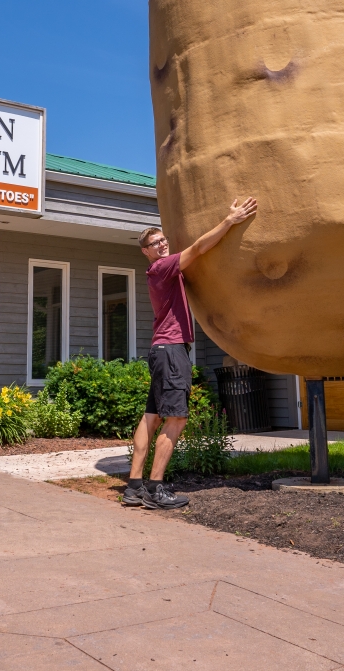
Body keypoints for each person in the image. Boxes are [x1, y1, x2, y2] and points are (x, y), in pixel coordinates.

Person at [124, 196, 258, 510]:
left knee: (151, 419)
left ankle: (133, 487)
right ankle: (155, 489)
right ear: (146, 252)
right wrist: (231, 221)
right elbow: (197, 248)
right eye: (154, 243)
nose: (161, 245)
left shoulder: (165, 271)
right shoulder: (161, 267)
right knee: (177, 420)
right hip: (171, 352)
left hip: (162, 350)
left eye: (163, 240)